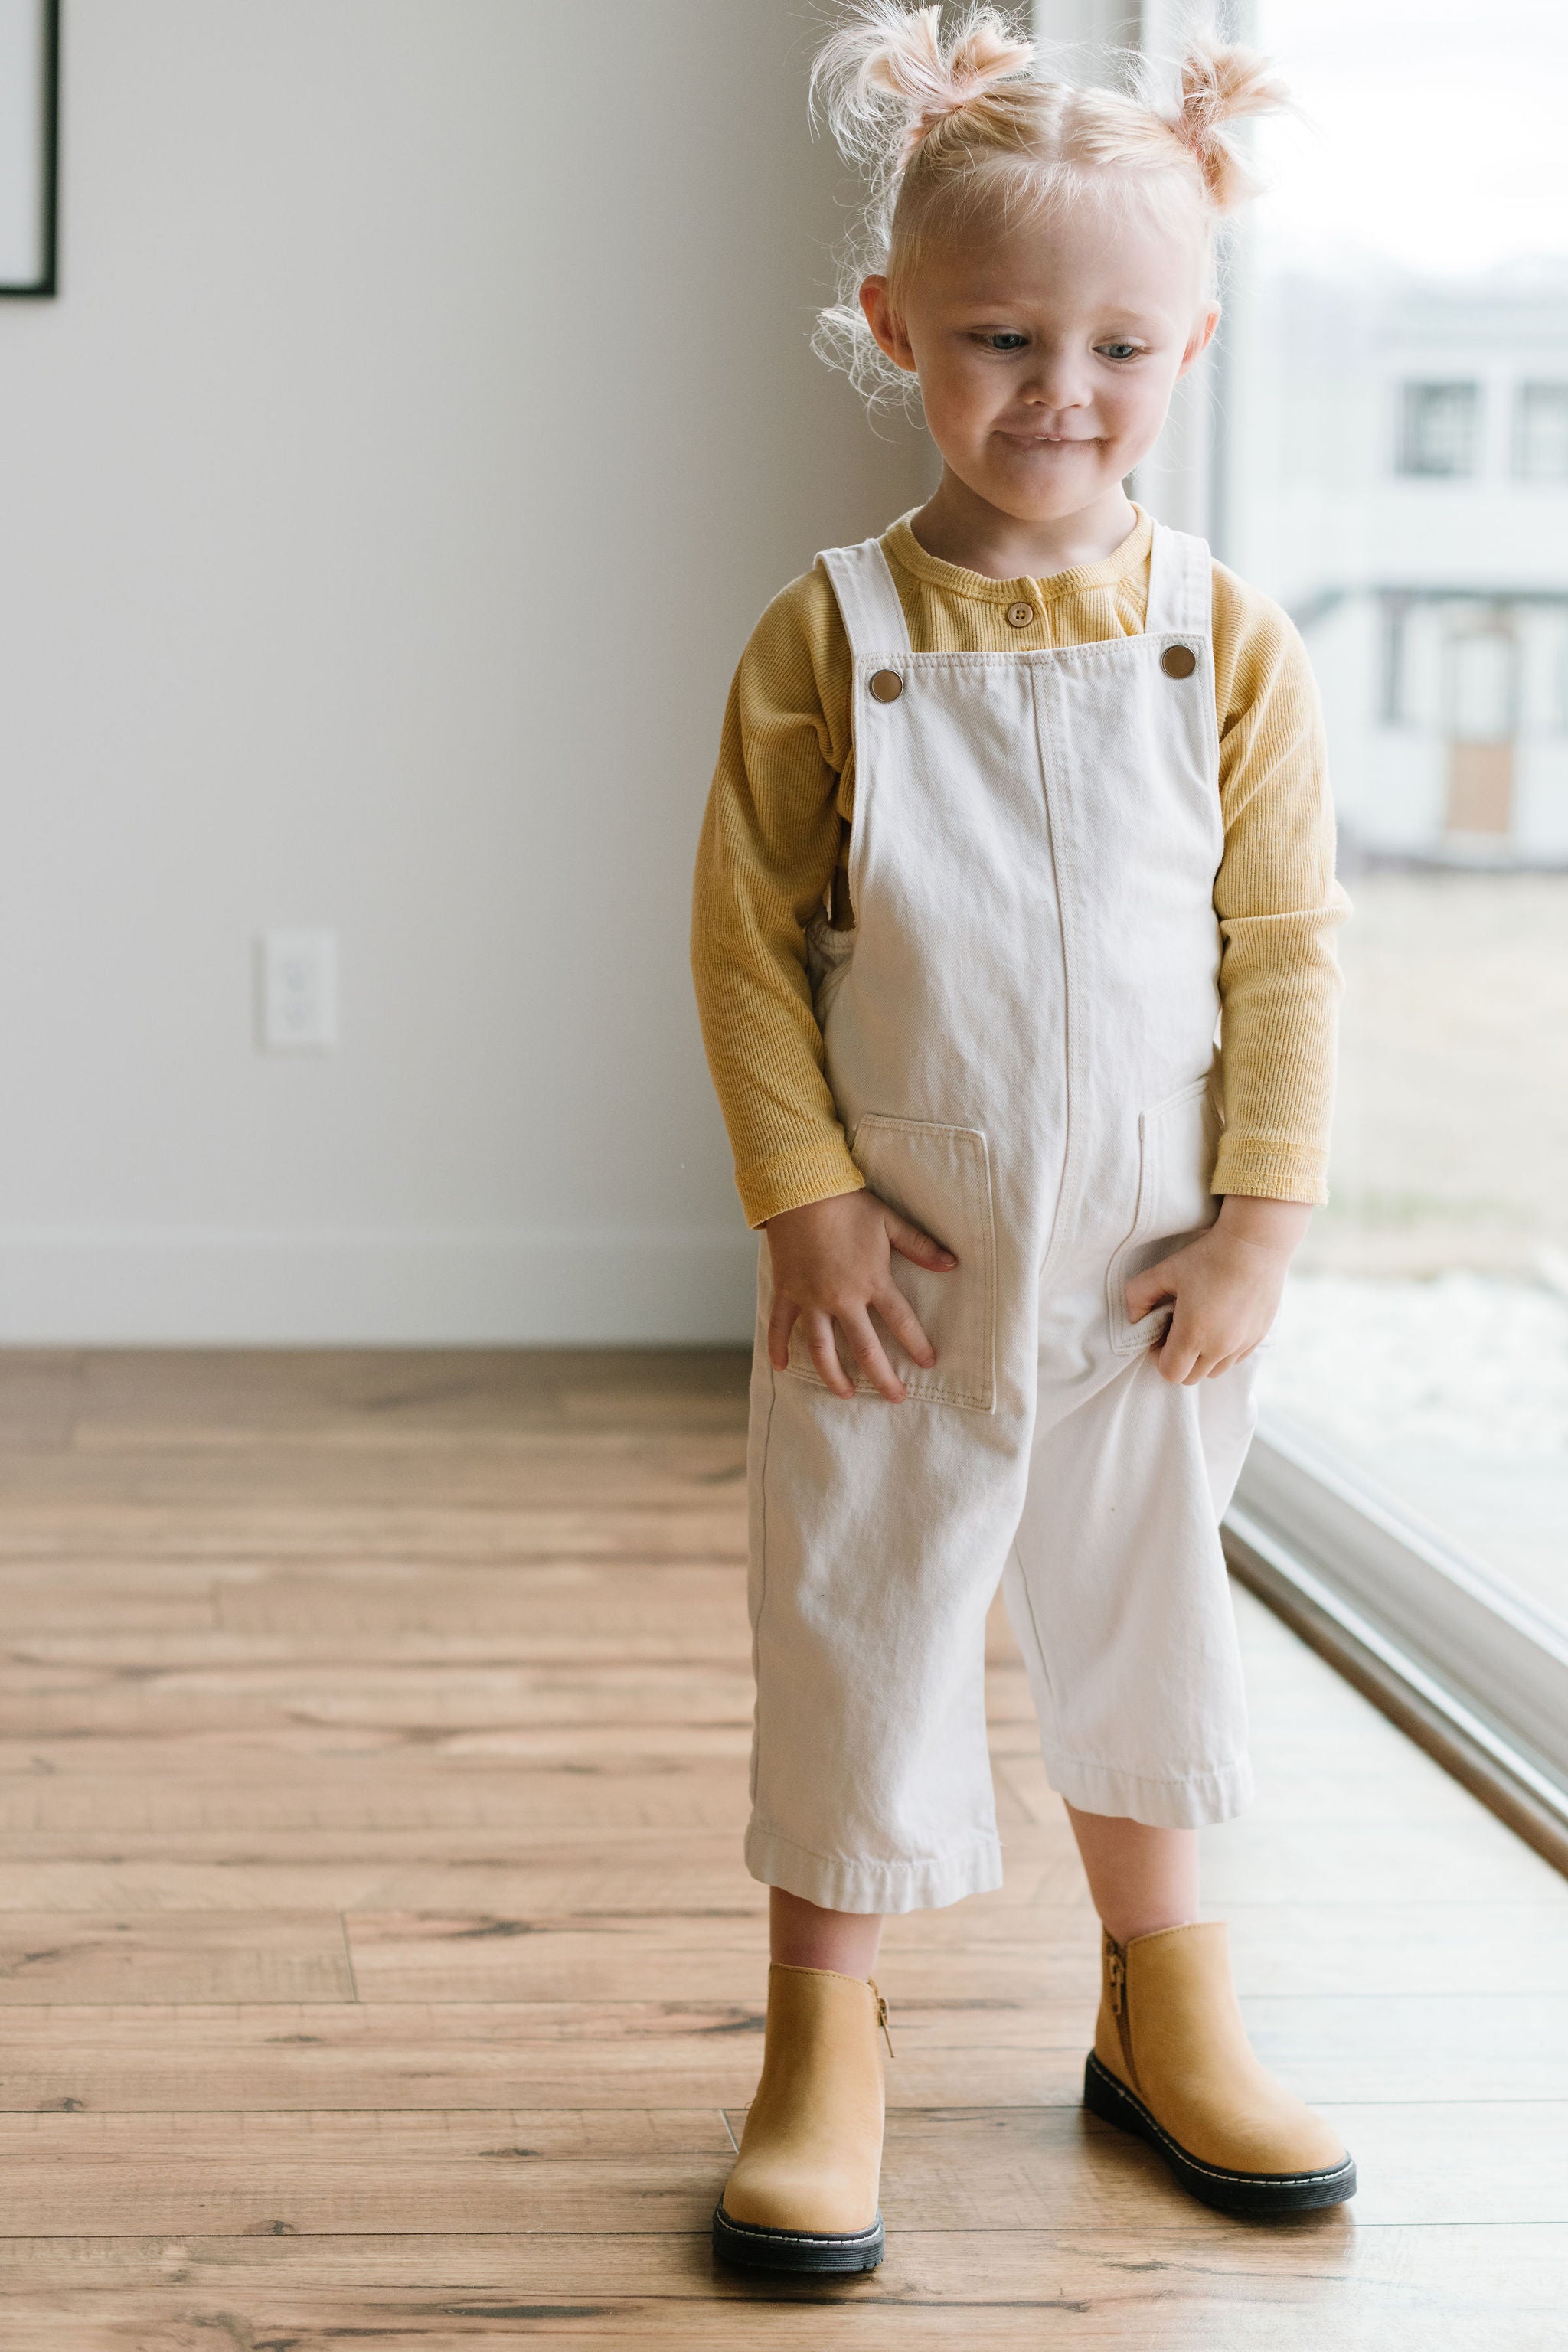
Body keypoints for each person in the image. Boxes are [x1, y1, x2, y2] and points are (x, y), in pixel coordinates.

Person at [691, 2, 1355, 2273]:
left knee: (1150, 1624)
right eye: (998, 336)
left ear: (1193, 343)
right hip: (905, 1274)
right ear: (895, 329)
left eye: (1118, 345)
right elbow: (748, 954)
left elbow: (1288, 944)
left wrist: (1261, 1220)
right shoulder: (828, 635)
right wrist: (808, 1207)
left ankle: (1165, 2006)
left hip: (1151, 1273)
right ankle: (823, 2039)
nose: (1059, 389)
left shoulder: (1225, 640)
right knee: (860, 1624)